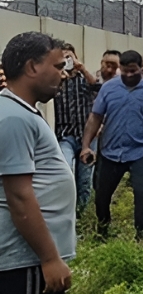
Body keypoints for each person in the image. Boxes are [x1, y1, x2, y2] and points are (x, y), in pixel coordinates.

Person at [0, 32, 74, 294]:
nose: (64, 73)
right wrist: (49, 259)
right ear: (32, 66)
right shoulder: (13, 118)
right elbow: (19, 197)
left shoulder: (21, 112)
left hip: (31, 258)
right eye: (58, 66)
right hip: (26, 260)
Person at [81, 51, 143, 240]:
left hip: (140, 151)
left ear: (139, 68)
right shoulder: (108, 88)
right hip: (110, 151)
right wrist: (86, 145)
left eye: (133, 71)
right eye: (125, 71)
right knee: (102, 195)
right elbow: (95, 117)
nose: (129, 75)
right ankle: (103, 229)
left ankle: (141, 234)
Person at [53, 43, 97, 215]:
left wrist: (82, 68)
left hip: (87, 136)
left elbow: (97, 87)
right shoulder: (58, 81)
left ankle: (81, 215)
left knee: (85, 179)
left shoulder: (84, 79)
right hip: (65, 136)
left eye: (69, 57)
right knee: (65, 170)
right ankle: (66, 211)